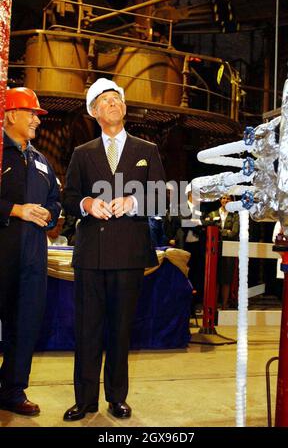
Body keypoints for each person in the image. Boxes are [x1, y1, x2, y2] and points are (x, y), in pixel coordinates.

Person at [62, 77, 166, 421]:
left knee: (121, 328)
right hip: (90, 254)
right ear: (94, 112)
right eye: (106, 101)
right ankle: (85, 399)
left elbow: (164, 196)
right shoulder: (82, 153)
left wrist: (134, 201)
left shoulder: (146, 150)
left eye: (118, 100)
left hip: (129, 253)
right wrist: (88, 203)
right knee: (87, 328)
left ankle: (116, 397)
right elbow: (70, 197)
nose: (114, 104)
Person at [0, 87, 61, 416]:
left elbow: (55, 198)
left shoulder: (40, 161)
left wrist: (50, 212)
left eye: (38, 114)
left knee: (25, 324)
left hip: (33, 258)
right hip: (3, 254)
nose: (37, 119)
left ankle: (12, 390)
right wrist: (15, 210)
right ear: (10, 115)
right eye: (31, 113)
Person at [204, 194, 239, 309]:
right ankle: (212, 306)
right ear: (220, 200)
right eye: (224, 198)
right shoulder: (212, 214)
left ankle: (224, 305)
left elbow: (234, 232)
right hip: (214, 250)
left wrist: (219, 230)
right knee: (214, 278)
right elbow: (207, 228)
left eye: (228, 198)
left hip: (228, 250)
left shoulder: (235, 216)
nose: (226, 200)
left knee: (226, 279)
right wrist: (226, 231)